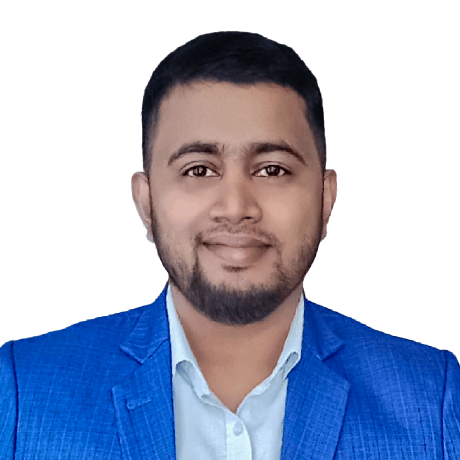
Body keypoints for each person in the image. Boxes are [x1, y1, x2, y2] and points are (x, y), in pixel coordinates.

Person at [0, 31, 459, 460]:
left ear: (325, 199)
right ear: (146, 203)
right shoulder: (23, 394)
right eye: (199, 170)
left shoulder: (432, 400)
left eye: (272, 170)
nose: (236, 207)